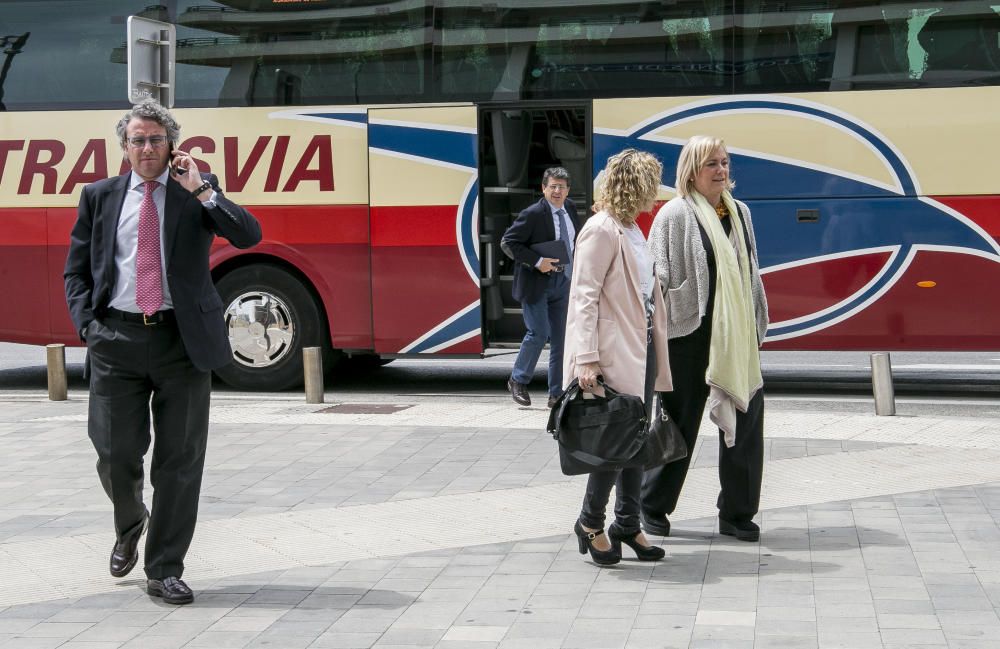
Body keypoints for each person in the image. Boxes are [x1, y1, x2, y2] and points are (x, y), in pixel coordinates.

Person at [64, 100, 261, 604]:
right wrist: (88, 326)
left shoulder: (195, 190)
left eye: (155, 139)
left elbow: (247, 234)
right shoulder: (99, 196)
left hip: (182, 342)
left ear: (171, 143)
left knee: (179, 461)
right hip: (116, 342)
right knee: (114, 453)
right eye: (137, 140)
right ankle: (131, 523)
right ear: (123, 147)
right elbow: (77, 270)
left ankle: (164, 567)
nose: (146, 148)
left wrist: (201, 187)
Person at [641, 135, 768, 542]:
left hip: (736, 336)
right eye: (712, 163)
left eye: (725, 162)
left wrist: (756, 315)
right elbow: (655, 277)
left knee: (746, 420)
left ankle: (737, 512)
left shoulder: (741, 212)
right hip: (689, 334)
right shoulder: (674, 215)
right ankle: (652, 504)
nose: (722, 170)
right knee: (680, 421)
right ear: (692, 171)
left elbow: (750, 268)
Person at [563, 149, 672, 565]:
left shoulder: (630, 229)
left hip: (639, 347)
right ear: (636, 186)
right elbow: (583, 297)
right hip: (611, 353)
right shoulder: (601, 230)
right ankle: (590, 522)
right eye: (652, 183)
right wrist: (586, 358)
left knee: (636, 439)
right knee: (615, 442)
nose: (657, 193)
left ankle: (627, 524)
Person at [501, 167, 581, 409]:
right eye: (553, 186)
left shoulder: (571, 210)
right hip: (536, 283)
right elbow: (508, 242)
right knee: (539, 333)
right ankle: (518, 379)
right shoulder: (533, 213)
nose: (557, 191)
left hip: (563, 281)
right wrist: (537, 261)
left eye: (562, 187)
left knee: (561, 339)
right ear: (543, 188)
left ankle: (556, 394)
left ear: (568, 190)